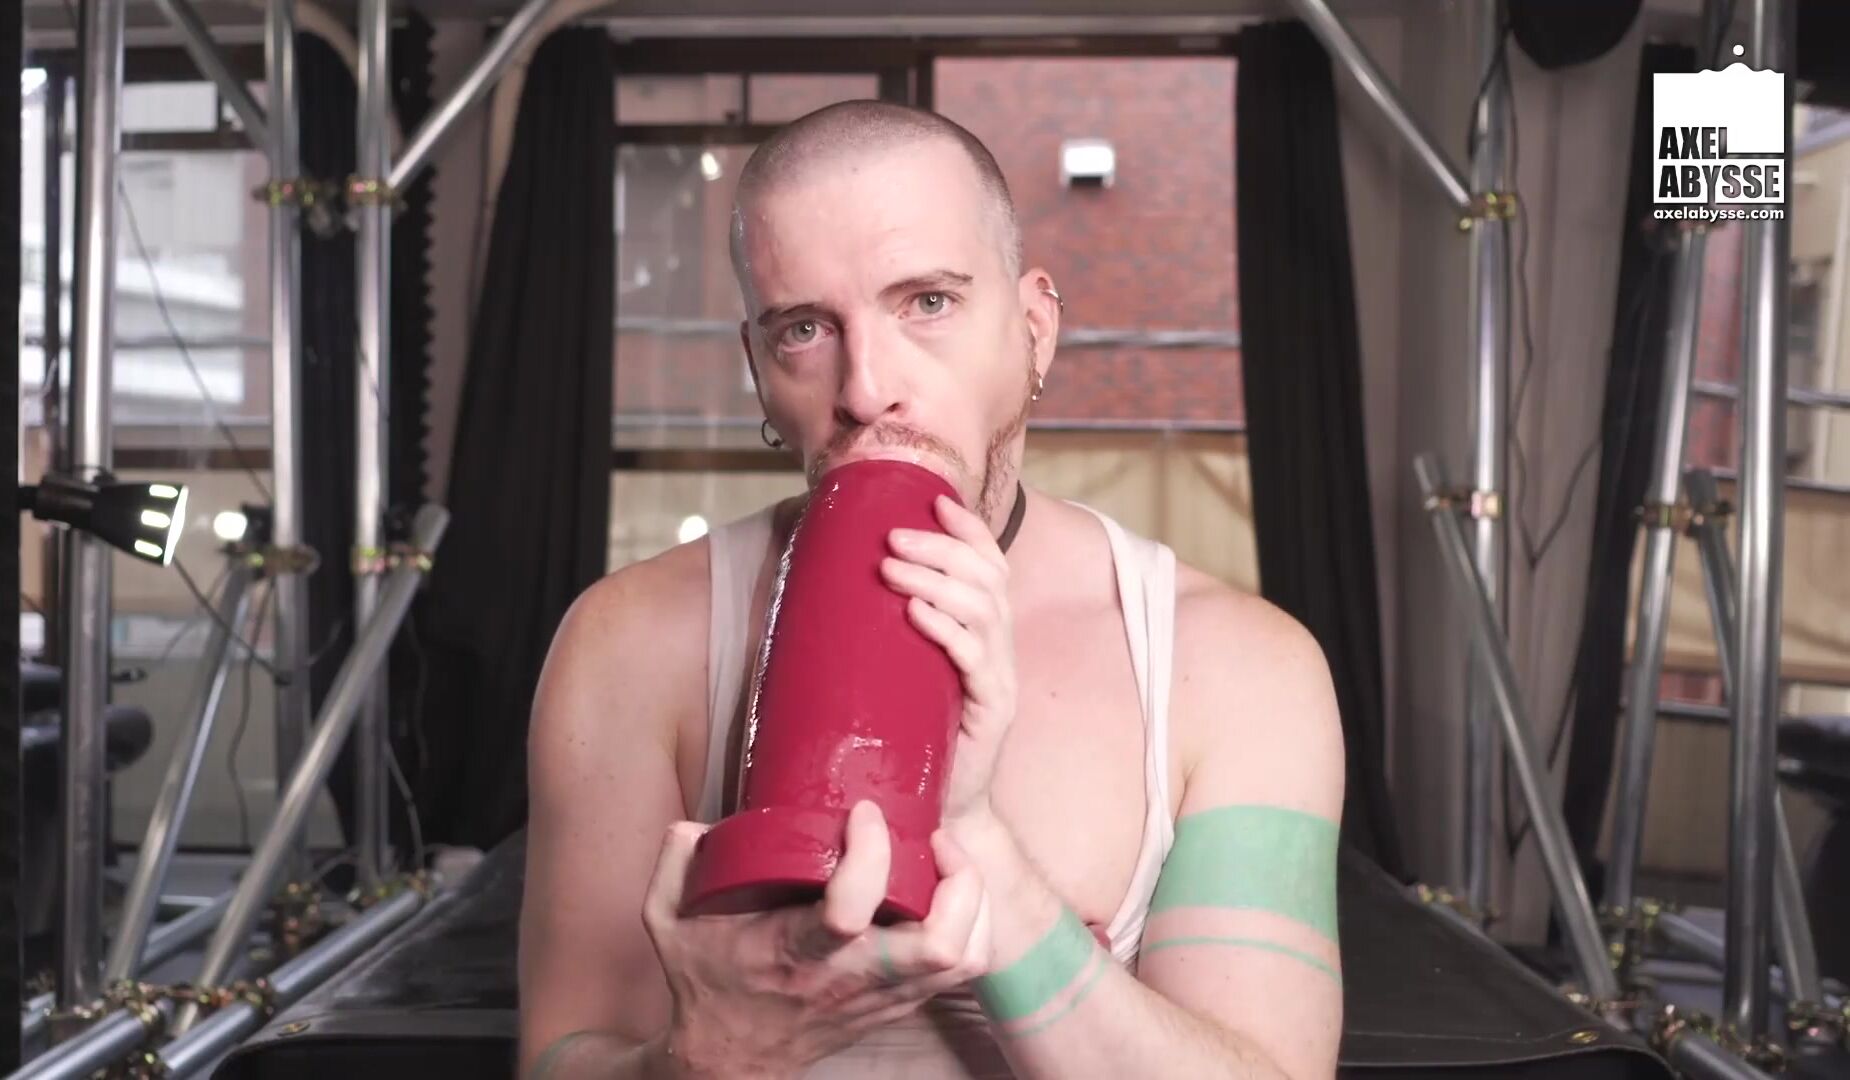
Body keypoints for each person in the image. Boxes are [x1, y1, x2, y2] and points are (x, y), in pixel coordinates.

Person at [518, 100, 1345, 1079]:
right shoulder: (630, 642)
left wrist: (974, 840)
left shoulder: (1237, 669)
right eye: (804, 329)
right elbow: (564, 1054)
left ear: (1033, 329)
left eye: (927, 303)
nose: (867, 389)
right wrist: (707, 1057)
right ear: (758, 369)